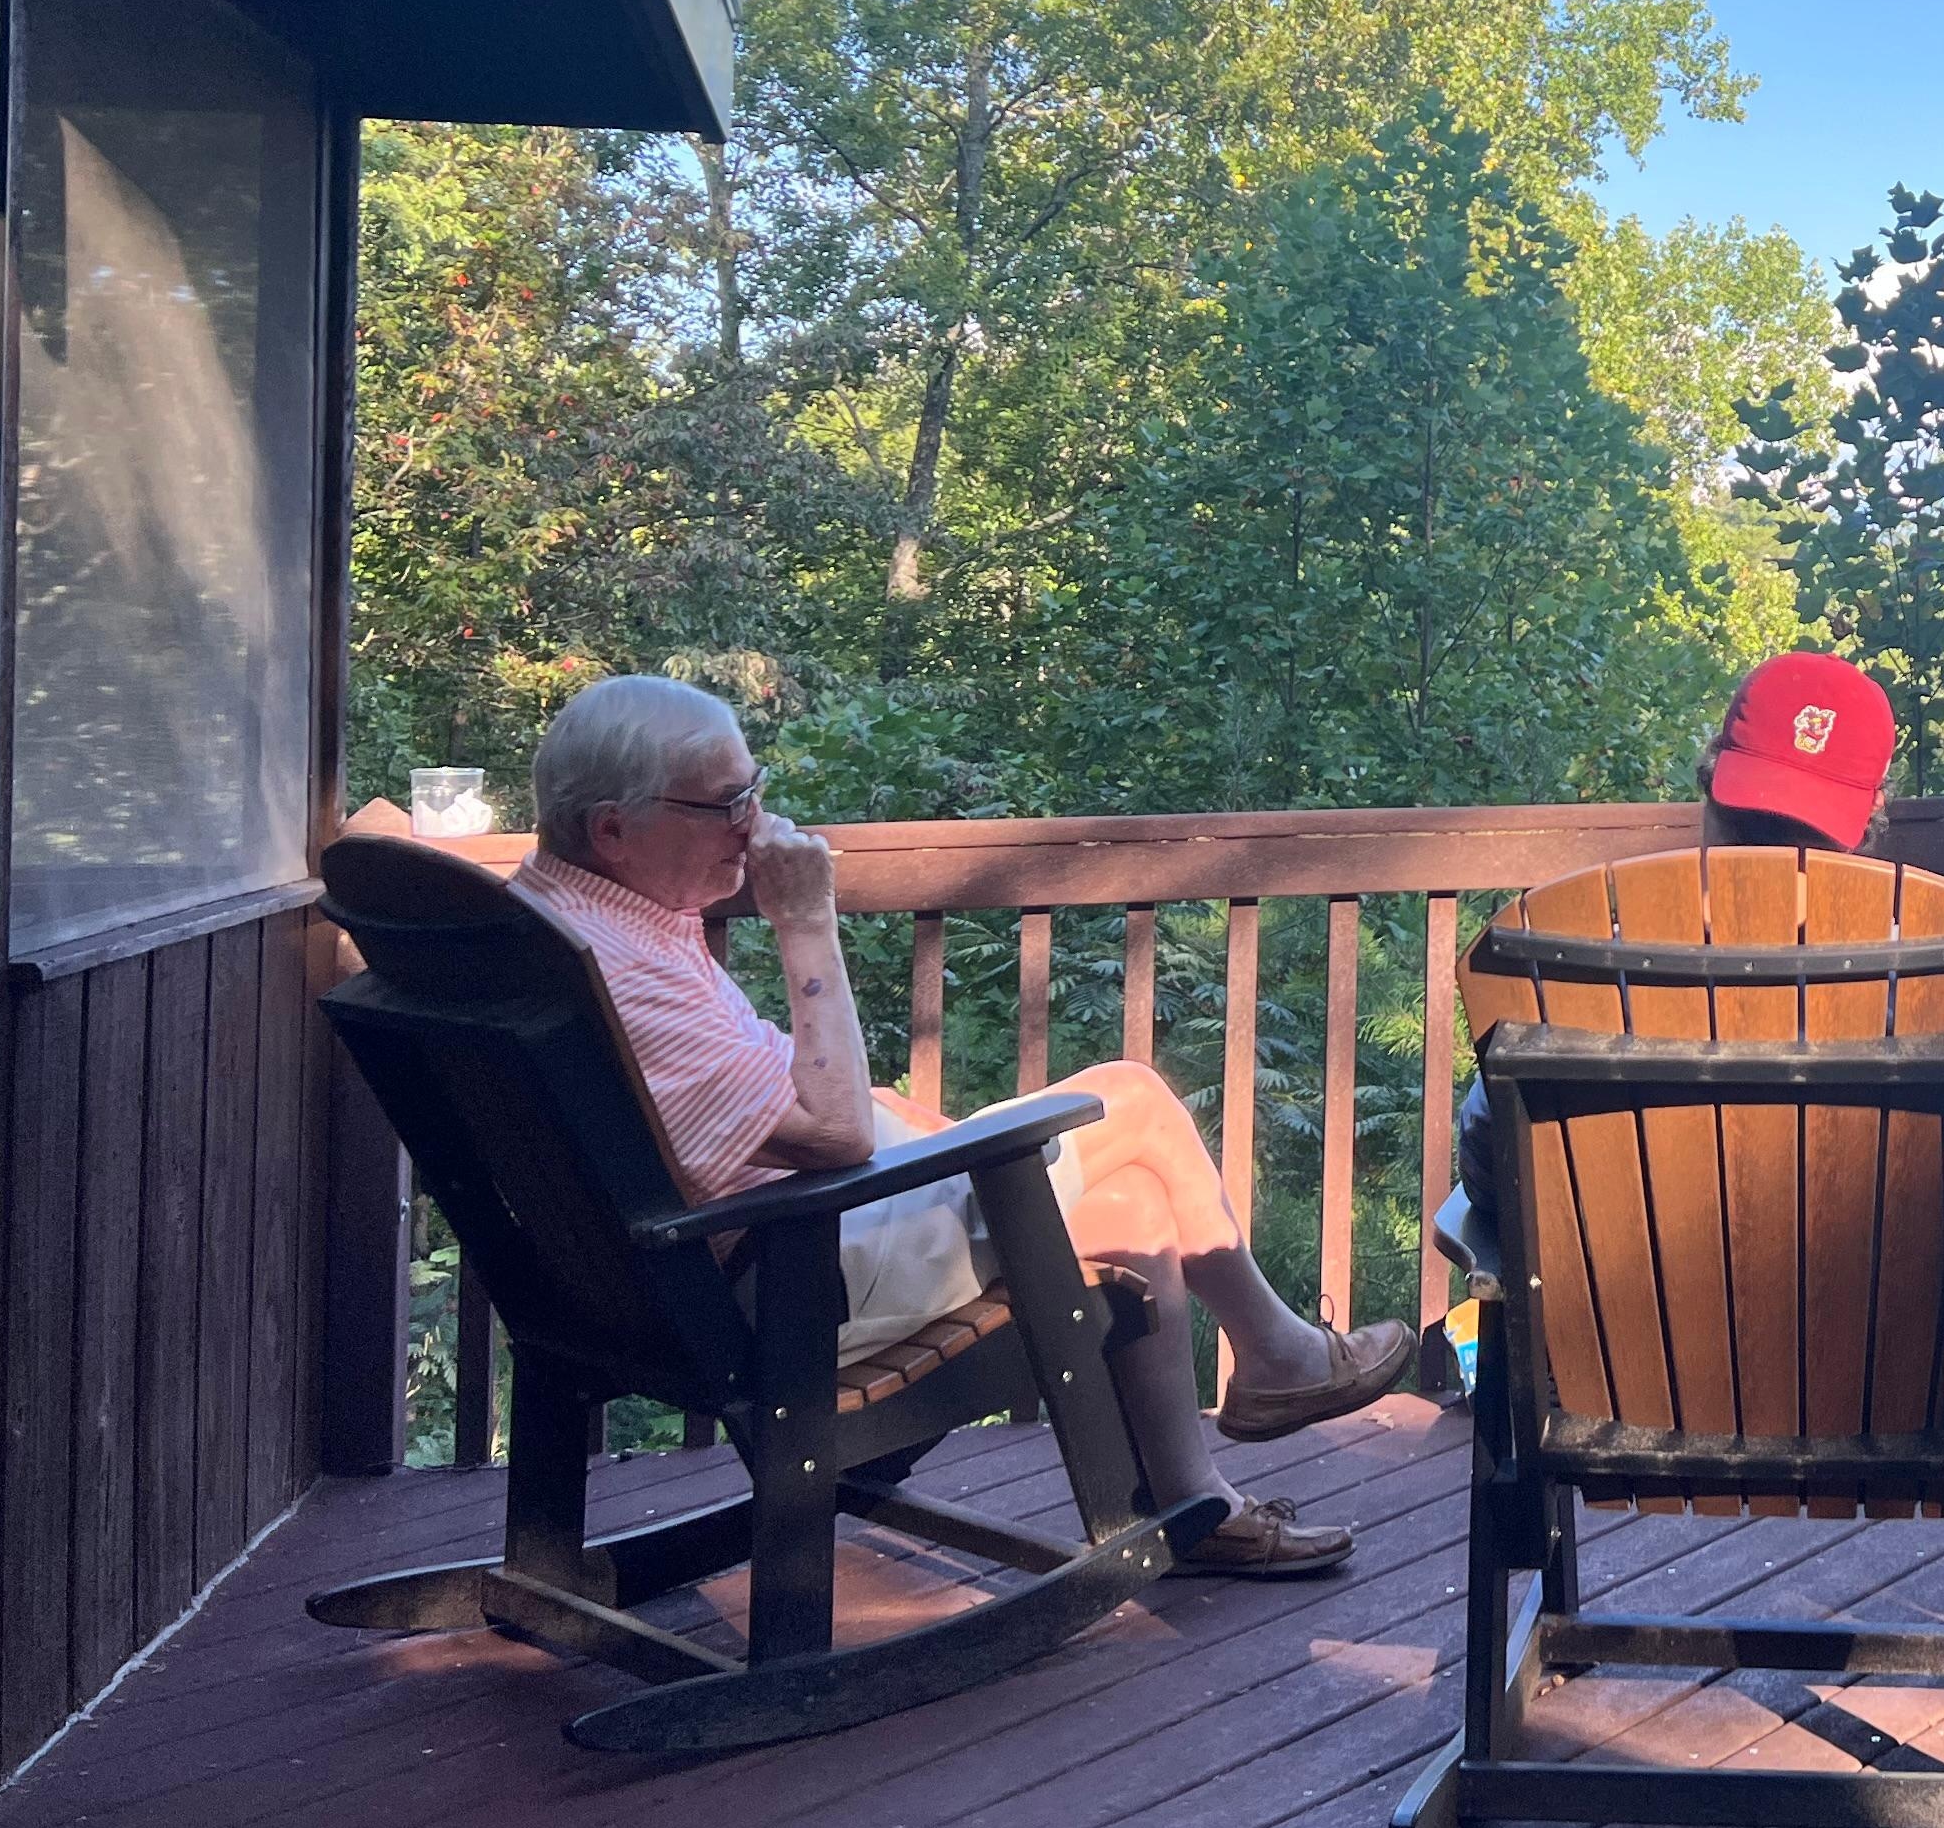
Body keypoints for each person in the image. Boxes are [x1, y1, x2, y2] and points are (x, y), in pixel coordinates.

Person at [504, 676, 1414, 1579]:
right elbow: (833, 1137)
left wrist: (943, 1135)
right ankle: (1280, 1356)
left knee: (1132, 1202)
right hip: (788, 1286)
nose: (753, 824)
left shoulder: (546, 927)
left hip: (691, 1274)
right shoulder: (624, 977)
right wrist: (806, 919)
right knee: (1131, 1097)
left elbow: (771, 1091)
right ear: (612, 831)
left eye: (754, 790)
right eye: (720, 804)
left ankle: (1191, 1503)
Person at [1452, 651, 1944, 1227]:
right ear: (1867, 826)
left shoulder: (1586, 974)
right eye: (1759, 828)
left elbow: (1487, 1173)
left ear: (1709, 794)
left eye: (1797, 837)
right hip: (1894, 1379)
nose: (1774, 857)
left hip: (1617, 1379)